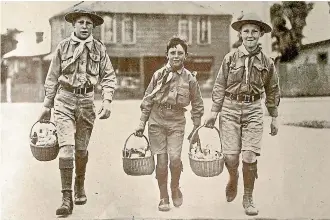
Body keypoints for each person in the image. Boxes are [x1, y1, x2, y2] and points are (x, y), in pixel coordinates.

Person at [38, 8, 116, 216]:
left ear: (93, 27)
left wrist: (107, 100)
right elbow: (52, 77)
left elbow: (108, 76)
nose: (84, 26)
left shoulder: (99, 49)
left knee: (81, 150)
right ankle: (66, 198)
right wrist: (47, 105)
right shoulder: (63, 47)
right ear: (73, 25)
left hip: (87, 102)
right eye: (80, 22)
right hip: (64, 99)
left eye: (88, 23)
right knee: (66, 149)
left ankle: (79, 183)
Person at [204, 13, 280, 216]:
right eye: (246, 31)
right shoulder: (230, 58)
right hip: (229, 108)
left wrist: (274, 116)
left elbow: (272, 89)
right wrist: (214, 112)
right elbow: (220, 85)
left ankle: (248, 196)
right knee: (230, 157)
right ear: (240, 34)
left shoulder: (267, 62)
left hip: (254, 109)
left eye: (255, 31)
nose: (250, 35)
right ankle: (233, 177)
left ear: (261, 34)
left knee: (249, 155)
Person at [135, 37, 204, 212]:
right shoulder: (158, 75)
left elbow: (197, 104)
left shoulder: (190, 79)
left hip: (176, 122)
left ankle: (175, 186)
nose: (176, 56)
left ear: (186, 56)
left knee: (174, 158)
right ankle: (163, 195)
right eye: (172, 52)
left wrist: (196, 128)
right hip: (156, 120)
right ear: (167, 54)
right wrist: (141, 123)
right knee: (161, 160)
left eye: (180, 53)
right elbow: (148, 100)